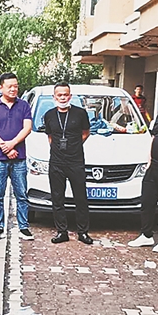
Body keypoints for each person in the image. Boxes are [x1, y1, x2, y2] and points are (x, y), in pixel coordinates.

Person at [0, 73, 33, 241]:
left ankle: (24, 227)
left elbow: (27, 128)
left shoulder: (24, 105)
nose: (13, 89)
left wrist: (12, 143)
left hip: (19, 157)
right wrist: (6, 148)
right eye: (9, 86)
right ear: (1, 87)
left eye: (16, 86)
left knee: (22, 194)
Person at [42, 82, 92, 245]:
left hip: (76, 161)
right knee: (57, 198)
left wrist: (74, 146)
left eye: (65, 95)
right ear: (54, 97)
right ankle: (61, 231)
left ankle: (83, 232)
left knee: (81, 197)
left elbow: (85, 133)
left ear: (70, 96)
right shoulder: (49, 115)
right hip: (56, 162)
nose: (63, 98)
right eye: (60, 95)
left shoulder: (80, 113)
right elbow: (50, 136)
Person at [128, 81, 158, 252]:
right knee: (147, 202)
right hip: (154, 167)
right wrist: (149, 162)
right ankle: (146, 235)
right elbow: (154, 138)